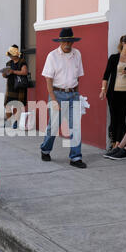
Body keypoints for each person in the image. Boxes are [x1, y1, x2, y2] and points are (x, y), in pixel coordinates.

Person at [40, 27, 86, 169]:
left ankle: (75, 157)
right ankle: (45, 149)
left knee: (75, 127)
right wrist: (53, 99)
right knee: (53, 126)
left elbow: (78, 76)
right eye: (65, 41)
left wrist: (78, 95)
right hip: (57, 94)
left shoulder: (77, 54)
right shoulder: (52, 56)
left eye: (70, 41)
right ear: (60, 42)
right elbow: (48, 80)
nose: (68, 44)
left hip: (73, 94)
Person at [100, 34, 126, 150]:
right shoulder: (114, 58)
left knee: (122, 119)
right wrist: (103, 90)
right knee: (114, 118)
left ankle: (118, 144)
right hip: (113, 93)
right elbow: (106, 75)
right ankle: (112, 143)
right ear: (123, 43)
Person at [2, 45, 28, 129]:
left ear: (15, 54)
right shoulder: (9, 63)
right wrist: (4, 73)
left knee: (17, 105)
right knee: (7, 105)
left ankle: (15, 122)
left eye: (11, 54)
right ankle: (9, 121)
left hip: (19, 87)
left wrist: (13, 71)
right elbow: (5, 75)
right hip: (10, 86)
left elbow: (24, 72)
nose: (9, 56)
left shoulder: (22, 62)